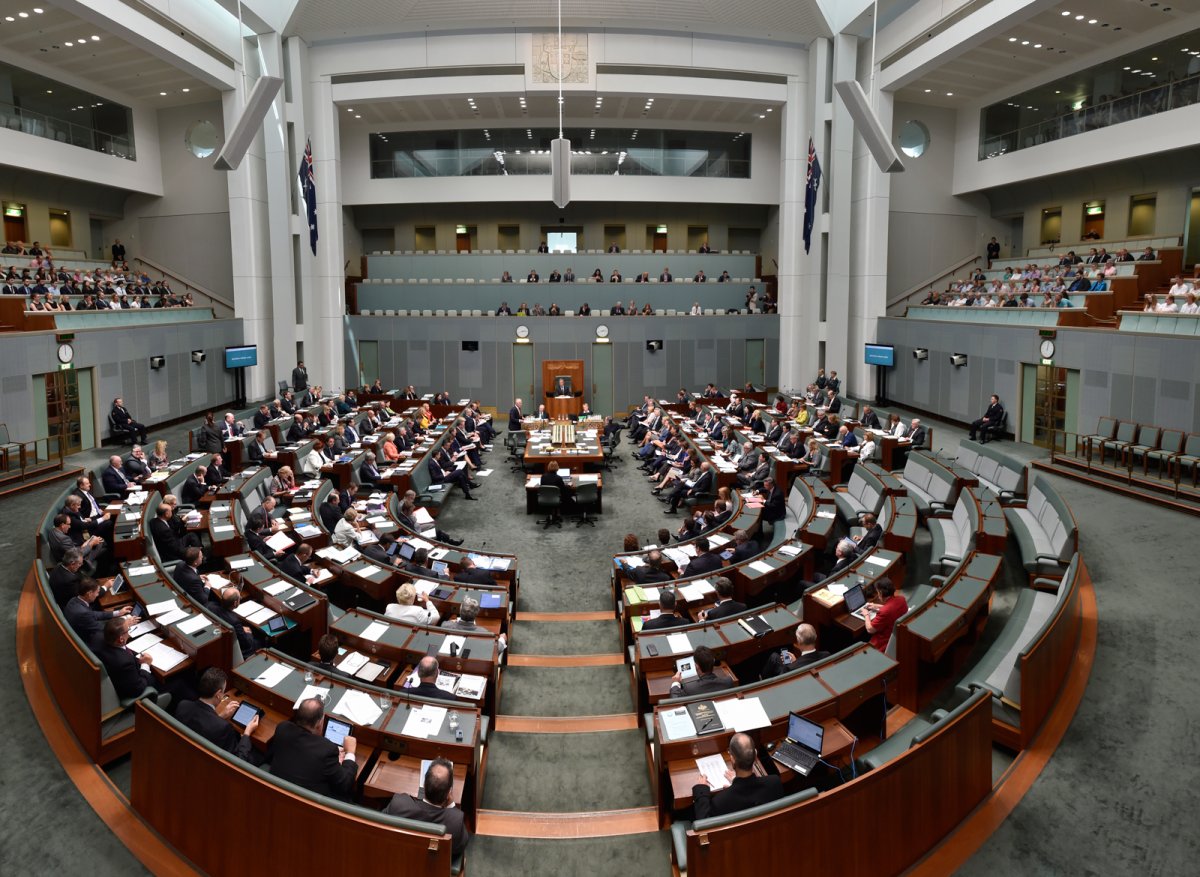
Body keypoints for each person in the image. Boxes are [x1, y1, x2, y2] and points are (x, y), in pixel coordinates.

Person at [267, 697, 357, 802]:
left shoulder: (282, 728)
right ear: (319, 723)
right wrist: (350, 753)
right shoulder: (327, 750)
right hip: (304, 803)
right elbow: (345, 784)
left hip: (274, 793)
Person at [384, 757, 470, 857]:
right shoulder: (455, 822)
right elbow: (460, 845)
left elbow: (382, 822)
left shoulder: (399, 804)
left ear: (424, 785)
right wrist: (451, 805)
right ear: (448, 794)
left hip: (398, 858)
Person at [692, 732, 783, 819]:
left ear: (732, 760)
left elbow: (704, 821)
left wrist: (702, 791)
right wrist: (735, 784)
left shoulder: (720, 801)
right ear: (755, 756)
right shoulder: (774, 782)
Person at [176, 668, 259, 761]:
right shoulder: (224, 727)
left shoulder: (183, 705)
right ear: (218, 694)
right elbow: (239, 760)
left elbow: (202, 725)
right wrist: (247, 733)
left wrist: (220, 717)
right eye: (224, 691)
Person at [94, 618, 165, 704]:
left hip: (118, 678)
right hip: (134, 695)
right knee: (176, 683)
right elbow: (137, 689)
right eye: (128, 630)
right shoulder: (124, 663)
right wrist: (145, 665)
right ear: (121, 639)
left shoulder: (99, 639)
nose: (129, 633)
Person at [65, 578, 129, 648]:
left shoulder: (73, 600)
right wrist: (124, 624)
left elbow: (94, 614)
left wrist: (118, 613)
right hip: (85, 640)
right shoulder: (84, 614)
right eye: (97, 592)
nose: (97, 595)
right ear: (89, 594)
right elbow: (103, 629)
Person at [762, 623, 829, 678]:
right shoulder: (826, 655)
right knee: (775, 657)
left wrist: (794, 663)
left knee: (774, 657)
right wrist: (796, 661)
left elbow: (784, 679)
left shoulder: (791, 668)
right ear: (815, 637)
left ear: (798, 643)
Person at [669, 645, 734, 697]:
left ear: (696, 666)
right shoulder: (728, 682)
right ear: (713, 661)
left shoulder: (689, 688)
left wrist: (675, 682)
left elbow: (675, 699)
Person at [863, 578, 908, 652]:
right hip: (899, 636)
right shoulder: (901, 599)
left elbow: (870, 629)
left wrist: (866, 614)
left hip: (884, 642)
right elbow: (893, 607)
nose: (877, 595)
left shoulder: (884, 612)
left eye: (877, 592)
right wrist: (876, 606)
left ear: (880, 593)